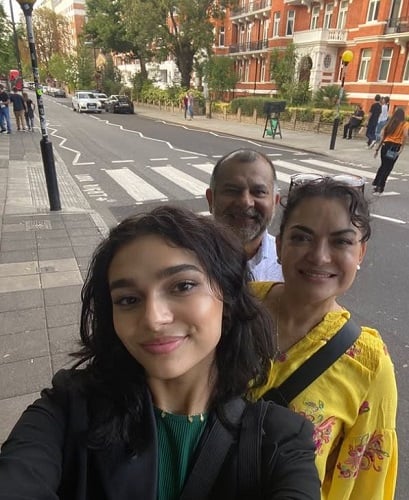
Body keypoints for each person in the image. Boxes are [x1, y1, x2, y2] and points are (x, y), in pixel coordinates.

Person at [0, 206, 320, 499]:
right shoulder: (68, 409)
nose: (153, 319)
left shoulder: (281, 440)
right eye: (128, 299)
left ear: (227, 296)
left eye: (182, 286)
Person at [250, 176, 398, 500]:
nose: (319, 256)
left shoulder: (371, 366)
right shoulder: (234, 309)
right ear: (279, 245)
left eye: (341, 242)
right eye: (301, 238)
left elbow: (363, 486)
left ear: (361, 252)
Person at [206, 148, 283, 281]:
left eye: (259, 192)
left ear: (274, 202)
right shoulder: (186, 257)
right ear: (211, 199)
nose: (245, 202)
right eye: (232, 191)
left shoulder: (291, 266)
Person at [373, 107, 409, 193]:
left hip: (385, 145)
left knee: (383, 165)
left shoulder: (390, 123)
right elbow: (405, 135)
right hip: (395, 147)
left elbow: (382, 136)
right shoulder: (405, 124)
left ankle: (376, 183)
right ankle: (381, 186)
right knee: (388, 167)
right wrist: (402, 148)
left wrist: (377, 149)